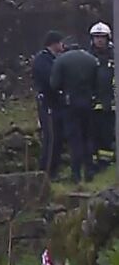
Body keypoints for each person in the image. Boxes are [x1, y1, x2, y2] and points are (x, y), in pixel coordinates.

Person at [50, 43, 99, 183]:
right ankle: (89, 170)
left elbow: (54, 84)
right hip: (88, 102)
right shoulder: (91, 59)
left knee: (74, 139)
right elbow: (96, 82)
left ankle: (76, 173)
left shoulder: (61, 60)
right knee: (88, 136)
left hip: (70, 103)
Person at [33, 31, 65, 178]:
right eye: (60, 42)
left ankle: (54, 170)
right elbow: (50, 80)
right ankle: (45, 172)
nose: (63, 45)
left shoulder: (53, 59)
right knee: (51, 138)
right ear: (54, 43)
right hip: (48, 104)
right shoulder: (42, 60)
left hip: (56, 104)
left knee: (58, 137)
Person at [87, 22, 115, 175]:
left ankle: (106, 163)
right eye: (96, 37)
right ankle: (93, 163)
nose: (99, 40)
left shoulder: (114, 55)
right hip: (93, 102)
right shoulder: (88, 56)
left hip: (110, 103)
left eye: (102, 37)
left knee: (107, 134)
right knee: (92, 134)